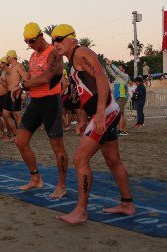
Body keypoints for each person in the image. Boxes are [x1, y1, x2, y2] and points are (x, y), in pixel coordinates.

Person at [50, 24, 135, 224]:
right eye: (53, 40)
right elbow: (86, 92)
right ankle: (127, 203)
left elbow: (102, 77)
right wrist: (83, 119)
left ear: (72, 38)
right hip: (103, 112)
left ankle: (81, 211)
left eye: (60, 39)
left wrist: (98, 113)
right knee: (113, 160)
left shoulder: (81, 52)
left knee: (80, 159)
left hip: (106, 111)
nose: (55, 44)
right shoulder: (72, 61)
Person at [10, 22, 68, 199]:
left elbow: (45, 78)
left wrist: (22, 84)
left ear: (41, 35)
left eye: (32, 41)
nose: (30, 45)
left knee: (57, 146)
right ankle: (35, 178)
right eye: (27, 42)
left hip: (51, 101)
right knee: (20, 141)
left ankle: (62, 185)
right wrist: (22, 88)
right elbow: (30, 76)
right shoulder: (34, 55)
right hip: (35, 102)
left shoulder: (54, 54)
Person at [105, 60, 129, 136]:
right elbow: (111, 71)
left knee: (120, 114)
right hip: (117, 96)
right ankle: (123, 130)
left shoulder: (125, 76)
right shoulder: (117, 77)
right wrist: (107, 65)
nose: (119, 69)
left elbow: (117, 71)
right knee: (121, 114)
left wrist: (112, 64)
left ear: (124, 69)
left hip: (122, 96)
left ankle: (121, 130)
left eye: (120, 68)